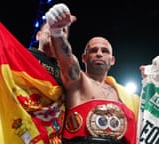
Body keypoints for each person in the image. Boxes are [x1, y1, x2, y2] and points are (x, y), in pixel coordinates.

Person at [0, 11, 69, 143]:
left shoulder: (68, 74)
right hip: (14, 134)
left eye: (62, 30)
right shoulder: (16, 56)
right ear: (39, 35)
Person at [45, 3, 140, 144]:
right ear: (84, 58)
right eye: (94, 50)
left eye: (104, 51)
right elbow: (66, 58)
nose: (99, 54)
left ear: (112, 60)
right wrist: (57, 32)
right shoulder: (77, 81)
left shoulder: (125, 95)